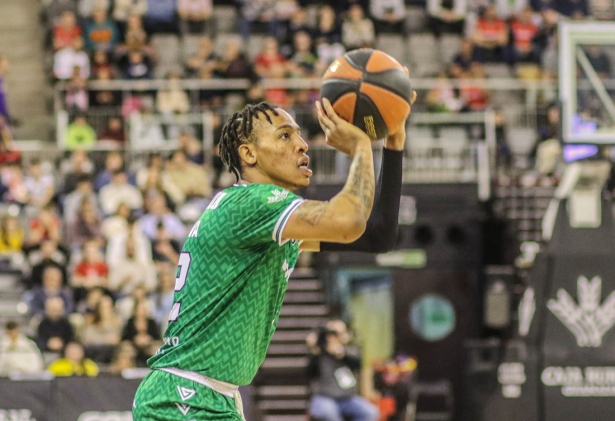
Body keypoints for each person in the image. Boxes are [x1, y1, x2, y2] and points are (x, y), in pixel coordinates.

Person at [133, 89, 416, 420]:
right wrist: (361, 147)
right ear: (249, 154)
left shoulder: (263, 222)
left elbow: (378, 235)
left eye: (299, 134)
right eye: (285, 136)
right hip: (185, 397)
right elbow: (348, 221)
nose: (302, 144)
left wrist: (394, 144)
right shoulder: (251, 203)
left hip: (205, 395)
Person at [306, 320, 379, 421]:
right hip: (324, 397)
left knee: (370, 412)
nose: (333, 337)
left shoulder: (350, 349)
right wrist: (315, 351)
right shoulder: (319, 352)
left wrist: (342, 355)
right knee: (329, 413)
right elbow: (309, 373)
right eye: (330, 333)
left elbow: (358, 365)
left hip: (346, 398)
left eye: (337, 334)